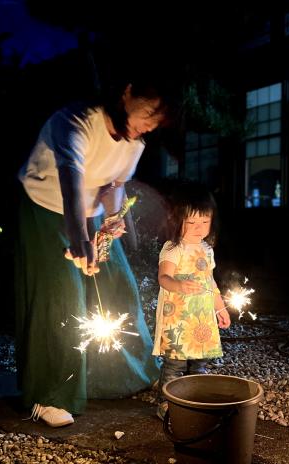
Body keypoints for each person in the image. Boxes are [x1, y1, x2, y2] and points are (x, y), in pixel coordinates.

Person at [16, 75, 179, 427]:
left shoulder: (134, 145)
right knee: (62, 296)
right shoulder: (76, 122)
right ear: (128, 92)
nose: (149, 126)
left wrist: (114, 218)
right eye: (149, 113)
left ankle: (119, 375)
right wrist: (79, 240)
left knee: (118, 284)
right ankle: (49, 395)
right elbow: (71, 182)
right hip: (45, 208)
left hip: (91, 212)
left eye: (157, 122)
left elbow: (113, 186)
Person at [152, 183, 231, 420]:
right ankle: (166, 403)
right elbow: (163, 277)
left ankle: (195, 399)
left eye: (205, 222)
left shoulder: (207, 250)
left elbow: (211, 282)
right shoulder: (173, 248)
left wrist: (220, 307)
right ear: (178, 221)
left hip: (201, 318)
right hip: (178, 317)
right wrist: (179, 285)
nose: (199, 228)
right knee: (175, 364)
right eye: (192, 223)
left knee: (200, 362)